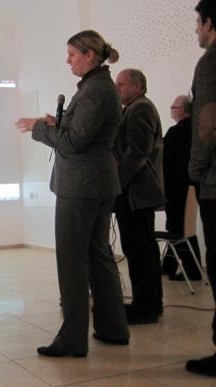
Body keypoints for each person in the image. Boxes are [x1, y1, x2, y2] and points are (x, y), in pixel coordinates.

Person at [15, 30, 129, 357]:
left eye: (72, 54)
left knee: (72, 261)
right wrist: (56, 124)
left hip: (81, 187)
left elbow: (73, 144)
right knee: (98, 257)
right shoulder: (97, 88)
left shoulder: (95, 91)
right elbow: (80, 135)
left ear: (89, 55)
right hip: (96, 184)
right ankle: (112, 328)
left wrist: (41, 129)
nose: (68, 60)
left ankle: (72, 339)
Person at [113, 69, 166, 325]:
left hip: (135, 193)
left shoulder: (140, 109)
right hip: (134, 192)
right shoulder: (133, 108)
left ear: (138, 86)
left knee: (140, 250)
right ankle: (148, 302)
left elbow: (136, 153)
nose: (117, 88)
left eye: (121, 84)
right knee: (139, 249)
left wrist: (118, 183)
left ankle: (146, 306)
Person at [186, 0, 216, 377]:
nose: (196, 30)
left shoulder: (210, 62)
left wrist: (194, 170)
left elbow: (207, 125)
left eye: (198, 22)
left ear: (210, 22)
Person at [162, 95, 202, 281]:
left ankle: (191, 270)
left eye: (174, 106)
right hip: (190, 187)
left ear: (183, 110)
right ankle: (169, 265)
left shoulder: (176, 132)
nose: (171, 108)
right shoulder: (195, 130)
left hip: (175, 188)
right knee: (183, 228)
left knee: (175, 228)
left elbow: (163, 159)